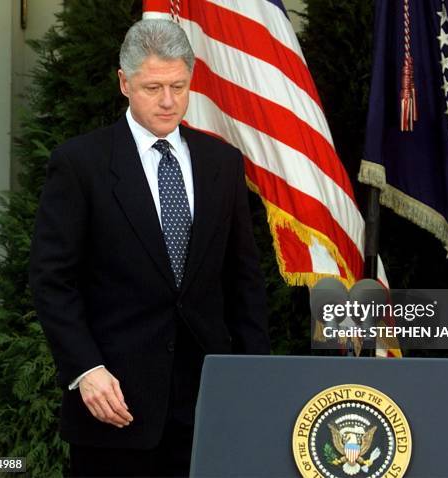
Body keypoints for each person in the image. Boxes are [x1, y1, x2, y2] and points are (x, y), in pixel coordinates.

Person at [29, 18, 270, 477]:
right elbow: (51, 280)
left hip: (209, 404)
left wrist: (252, 379)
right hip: (114, 404)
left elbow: (244, 281)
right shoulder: (80, 164)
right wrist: (85, 370)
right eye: (152, 87)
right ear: (124, 83)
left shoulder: (222, 163)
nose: (167, 101)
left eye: (178, 86)